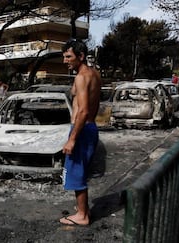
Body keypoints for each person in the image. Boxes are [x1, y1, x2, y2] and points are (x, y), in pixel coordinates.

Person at [59, 39, 101, 226]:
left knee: (76, 172)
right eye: (64, 57)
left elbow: (83, 110)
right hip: (90, 128)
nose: (65, 61)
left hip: (82, 129)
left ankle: (82, 215)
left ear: (81, 56)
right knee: (81, 171)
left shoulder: (81, 77)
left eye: (68, 56)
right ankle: (82, 209)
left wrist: (72, 139)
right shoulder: (94, 74)